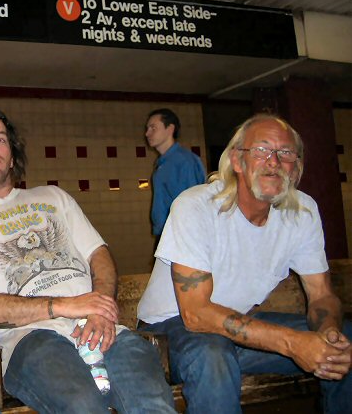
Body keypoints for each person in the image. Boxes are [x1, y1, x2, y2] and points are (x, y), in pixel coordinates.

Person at [0, 107, 175, 414]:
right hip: (33, 341)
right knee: (83, 406)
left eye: (1, 139)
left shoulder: (54, 197)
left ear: (12, 157)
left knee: (153, 403)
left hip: (103, 328)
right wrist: (63, 305)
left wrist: (101, 307)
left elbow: (98, 253)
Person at [138, 114, 352, 414]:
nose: (274, 161)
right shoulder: (195, 206)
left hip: (235, 330)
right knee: (213, 355)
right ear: (238, 160)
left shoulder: (302, 211)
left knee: (345, 342)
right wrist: (292, 343)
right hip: (167, 331)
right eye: (262, 150)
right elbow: (197, 315)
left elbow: (321, 294)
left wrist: (327, 333)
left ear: (296, 165)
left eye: (286, 152)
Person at [145, 108, 205, 239]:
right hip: (167, 234)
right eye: (147, 128)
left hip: (183, 235)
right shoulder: (162, 163)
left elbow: (194, 204)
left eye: (153, 128)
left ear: (170, 129)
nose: (147, 133)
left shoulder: (184, 161)